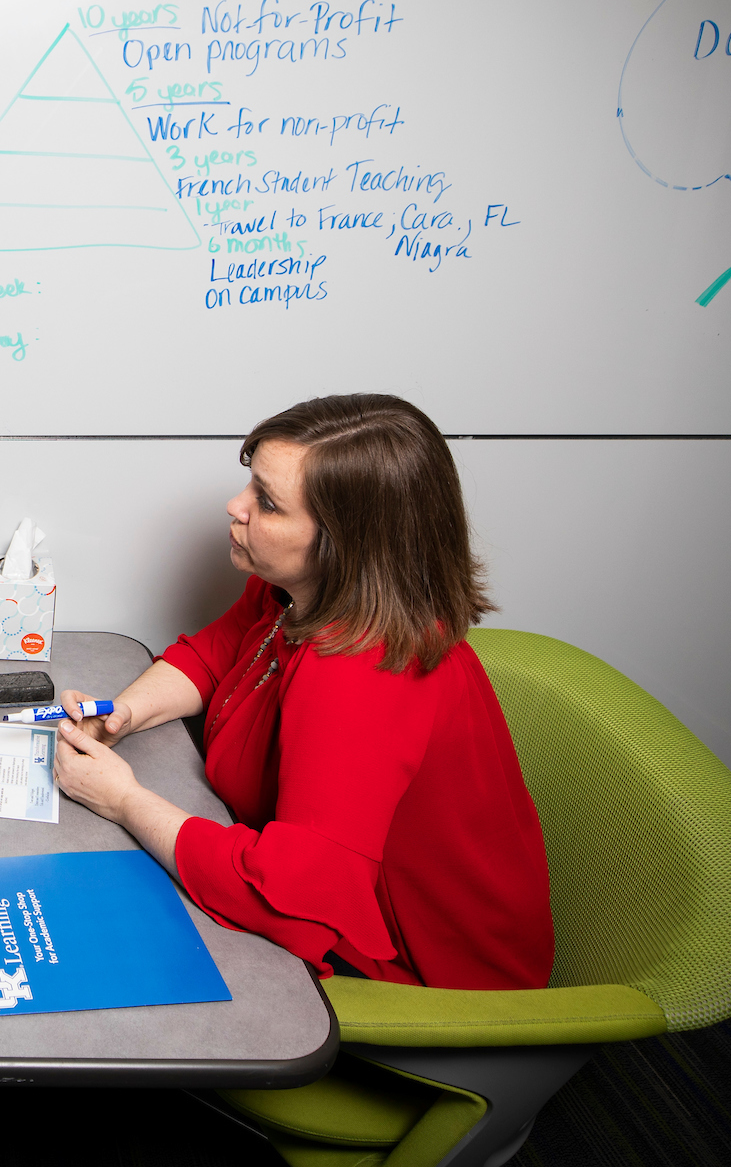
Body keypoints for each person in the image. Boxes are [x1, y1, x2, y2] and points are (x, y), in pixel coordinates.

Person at [48, 393, 553, 989]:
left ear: (345, 545)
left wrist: (123, 800)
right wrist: (125, 712)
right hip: (300, 880)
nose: (235, 507)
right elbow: (215, 654)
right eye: (249, 485)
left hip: (418, 970)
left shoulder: (363, 675)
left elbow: (287, 897)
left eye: (267, 503)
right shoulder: (297, 590)